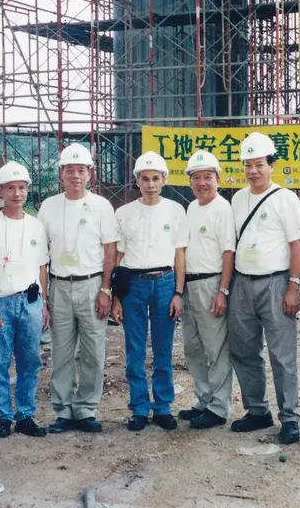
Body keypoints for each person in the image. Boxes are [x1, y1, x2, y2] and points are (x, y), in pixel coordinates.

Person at [229, 132, 300, 445]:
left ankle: (290, 418)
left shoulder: (285, 199)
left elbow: (297, 244)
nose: (253, 171)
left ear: (271, 165)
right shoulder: (237, 199)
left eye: (259, 164)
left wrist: (293, 286)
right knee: (244, 350)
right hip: (242, 283)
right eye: (248, 165)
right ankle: (257, 410)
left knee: (282, 354)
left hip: (275, 282)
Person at [38, 143, 120, 433]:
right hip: (59, 285)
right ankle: (63, 410)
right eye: (69, 170)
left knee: (93, 350)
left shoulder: (101, 206)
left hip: (92, 284)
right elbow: (41, 254)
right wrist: (44, 297)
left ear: (90, 173)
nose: (75, 175)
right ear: (61, 173)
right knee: (61, 351)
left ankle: (86, 409)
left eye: (81, 170)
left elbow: (110, 251)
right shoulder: (49, 206)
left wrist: (106, 290)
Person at [111, 151, 188, 431]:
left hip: (165, 282)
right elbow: (118, 256)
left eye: (156, 178)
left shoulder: (175, 210)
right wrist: (115, 297)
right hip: (133, 283)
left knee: (163, 347)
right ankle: (140, 407)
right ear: (137, 181)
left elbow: (180, 254)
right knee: (135, 348)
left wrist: (178, 293)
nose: (151, 184)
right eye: (145, 179)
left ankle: (163, 406)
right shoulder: (124, 213)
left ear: (164, 179)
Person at [0, 162, 50, 439]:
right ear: (0, 192)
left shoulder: (36, 226)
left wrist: (44, 304)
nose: (17, 194)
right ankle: (3, 417)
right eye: (10, 188)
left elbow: (42, 266)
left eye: (21, 188)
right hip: (0, 302)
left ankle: (26, 415)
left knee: (30, 360)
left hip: (30, 301)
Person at [179, 150, 235, 429]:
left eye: (207, 177)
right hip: (189, 285)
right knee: (194, 347)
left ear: (217, 179)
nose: (202, 183)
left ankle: (219, 407)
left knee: (216, 349)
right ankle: (203, 400)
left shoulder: (222, 209)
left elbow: (228, 252)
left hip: (211, 283)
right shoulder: (191, 207)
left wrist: (222, 290)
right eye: (196, 177)